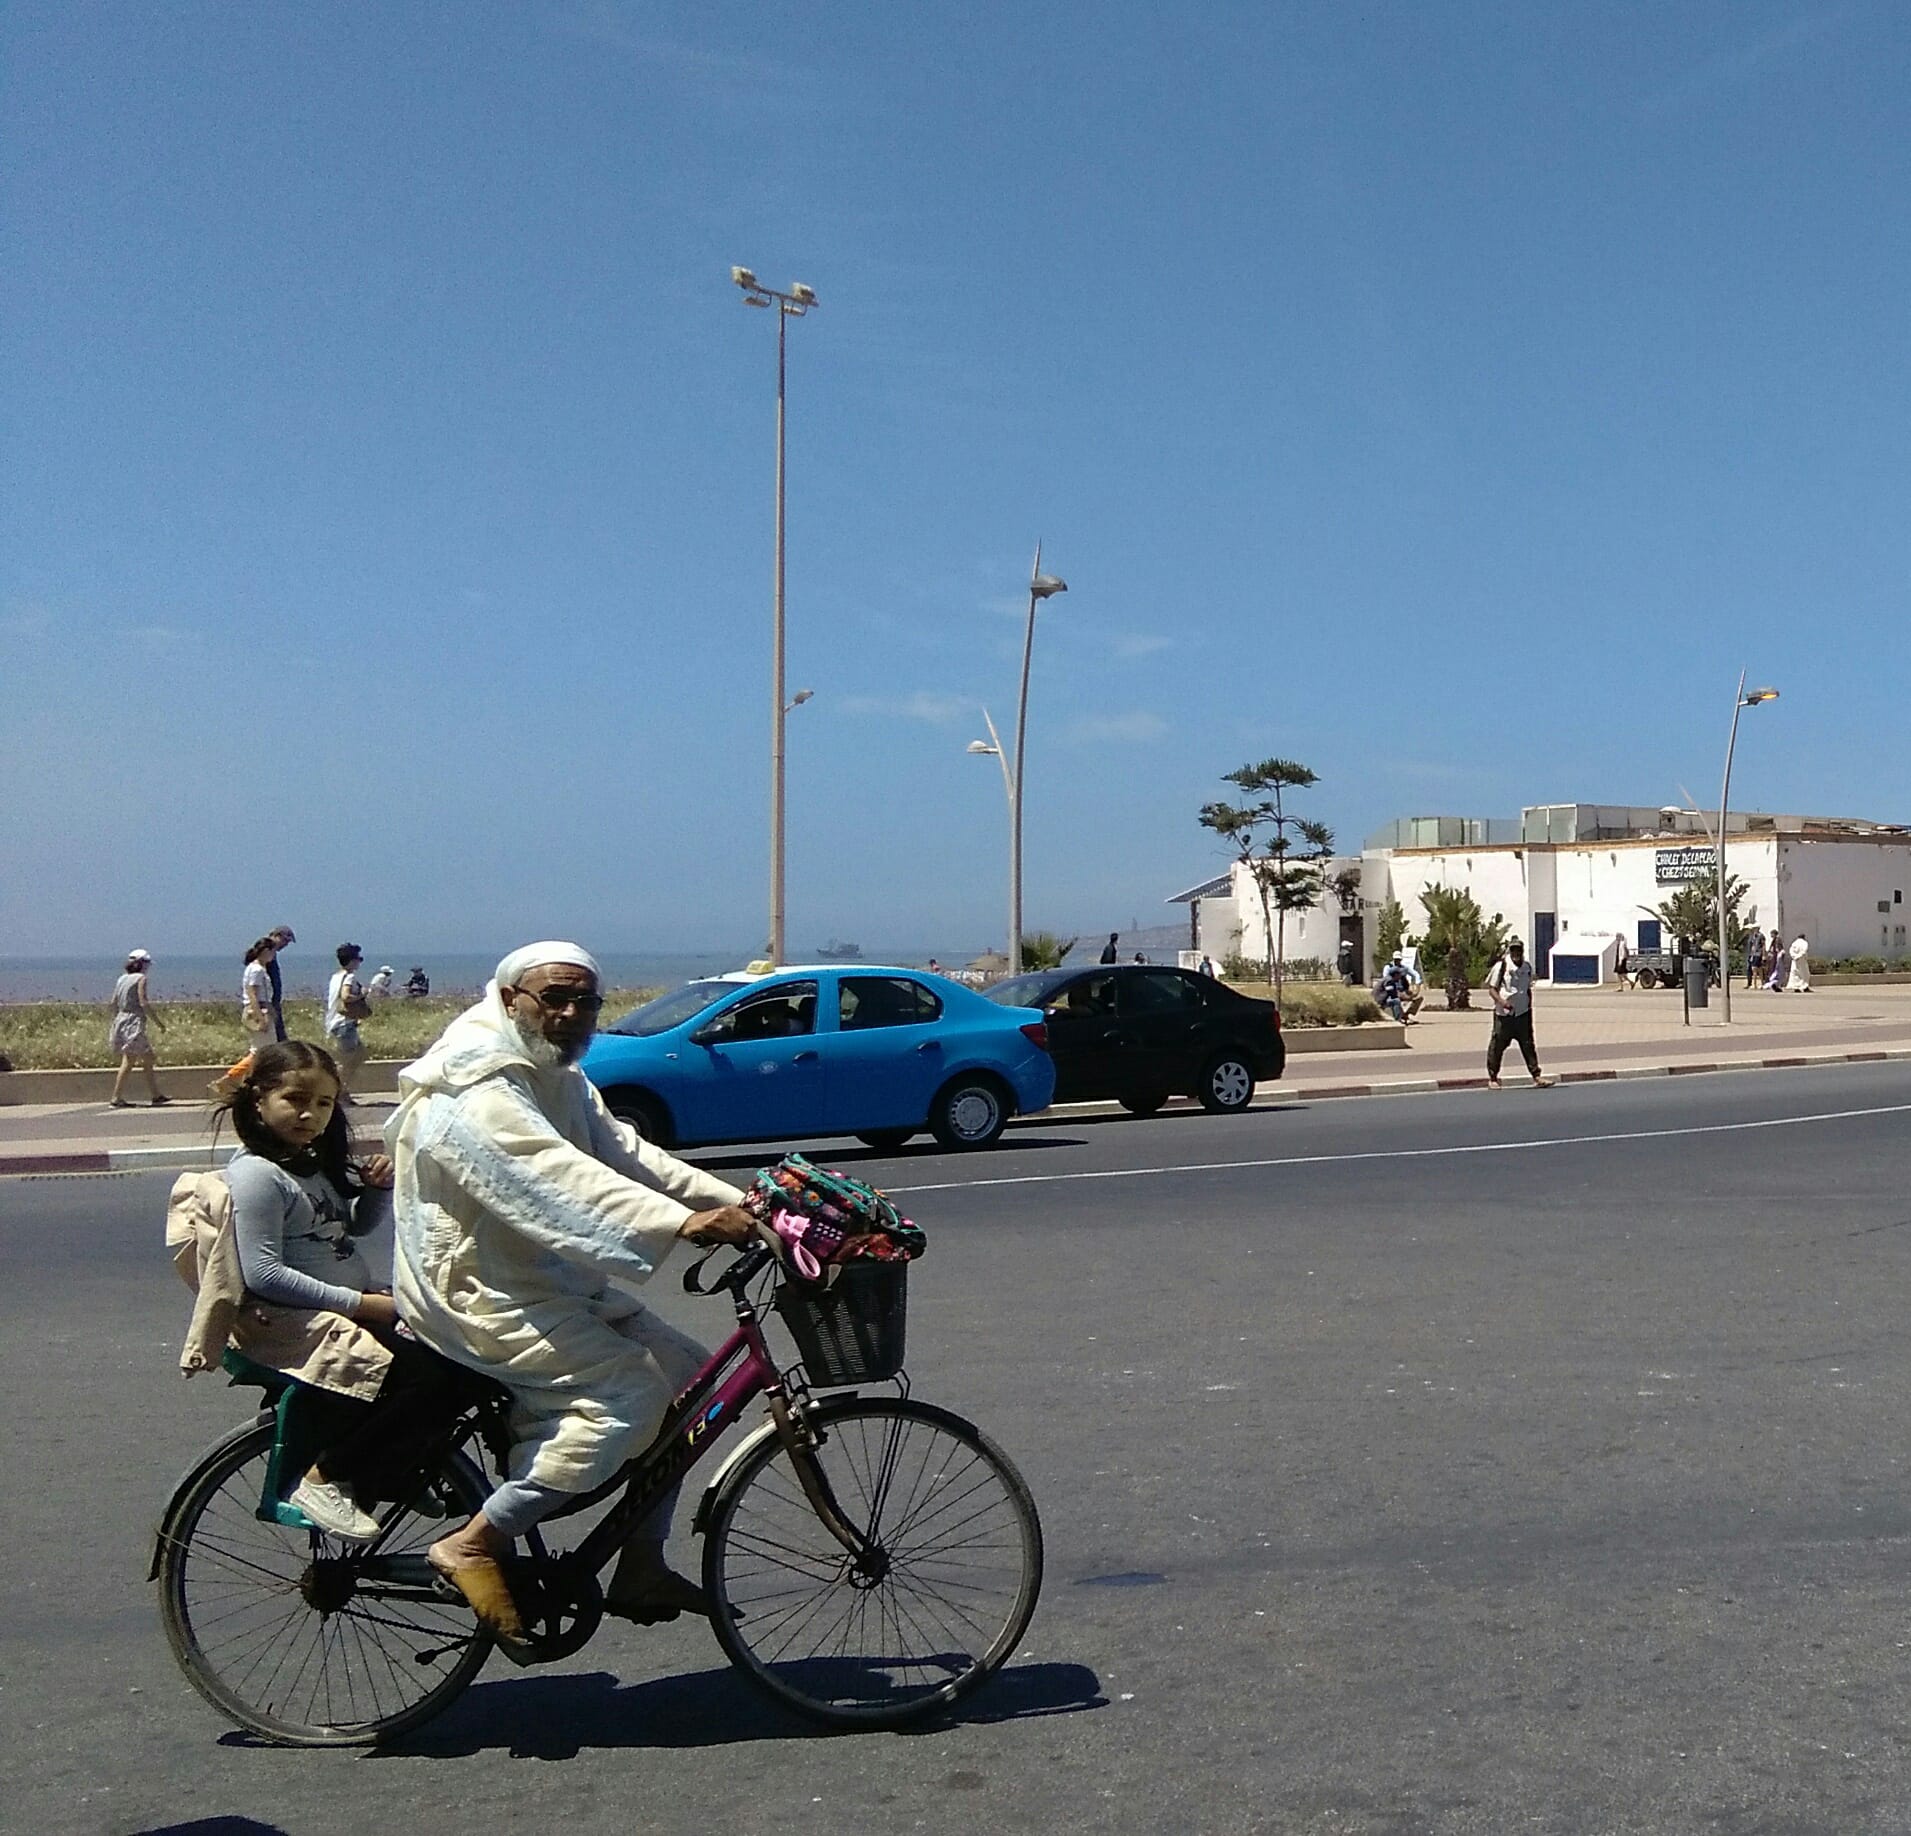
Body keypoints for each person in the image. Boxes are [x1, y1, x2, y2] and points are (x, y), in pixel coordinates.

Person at [387, 942, 758, 1645]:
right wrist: (679, 1223)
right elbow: (552, 1174)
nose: (569, 1014)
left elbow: (627, 1156)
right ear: (509, 1000)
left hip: (546, 1280)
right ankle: (472, 1542)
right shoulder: (475, 1084)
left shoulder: (561, 1075)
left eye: (585, 1002)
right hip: (476, 1290)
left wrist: (745, 1204)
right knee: (630, 1396)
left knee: (690, 1379)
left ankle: (641, 1564)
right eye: (552, 998)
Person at [217, 1040, 464, 1540]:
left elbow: (348, 1227)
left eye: (324, 1103)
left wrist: (375, 1192)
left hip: (346, 1309)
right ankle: (329, 1477)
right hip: (302, 1321)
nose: (310, 1114)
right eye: (295, 1099)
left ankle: (391, 1468)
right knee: (432, 1378)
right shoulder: (257, 1175)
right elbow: (263, 1273)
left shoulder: (306, 1163)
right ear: (259, 1100)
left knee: (458, 1355)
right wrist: (364, 1305)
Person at [1484, 938, 1555, 1090]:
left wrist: (1529, 1006)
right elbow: (1492, 989)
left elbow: (1527, 988)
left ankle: (1536, 1076)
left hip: (1522, 1013)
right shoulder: (1502, 966)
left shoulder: (1527, 967)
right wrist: (1502, 1002)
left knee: (1528, 1045)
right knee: (1497, 1045)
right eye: (1513, 950)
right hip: (1504, 1015)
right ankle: (1493, 1078)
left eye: (1518, 950)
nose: (1516, 953)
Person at [108, 949, 169, 1108]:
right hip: (134, 1022)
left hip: (121, 1019)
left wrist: (116, 1021)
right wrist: (158, 1023)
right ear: (141, 964)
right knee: (129, 1060)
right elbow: (143, 1002)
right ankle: (116, 1098)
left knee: (148, 1058)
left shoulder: (121, 979)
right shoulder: (141, 978)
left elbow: (113, 1002)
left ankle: (156, 1095)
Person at [325, 944, 371, 1101]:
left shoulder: (336, 977)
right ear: (352, 961)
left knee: (357, 1054)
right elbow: (346, 996)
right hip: (344, 1023)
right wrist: (362, 995)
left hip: (336, 1022)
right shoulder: (349, 977)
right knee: (349, 1059)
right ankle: (339, 1090)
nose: (360, 962)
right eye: (359, 959)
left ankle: (341, 1089)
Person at [264, 924, 295, 1042]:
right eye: (285, 941)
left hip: (273, 1001)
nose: (285, 945)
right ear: (277, 936)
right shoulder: (266, 953)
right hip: (268, 1002)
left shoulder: (272, 954)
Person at [1377, 957, 1412, 1024]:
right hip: (1379, 1001)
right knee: (1396, 1001)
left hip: (1382, 999)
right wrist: (1403, 997)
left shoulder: (1390, 979)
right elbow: (1391, 994)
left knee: (1396, 1000)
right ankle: (1398, 1020)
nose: (1400, 976)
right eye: (1399, 974)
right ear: (1395, 974)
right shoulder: (1389, 980)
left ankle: (1402, 1016)